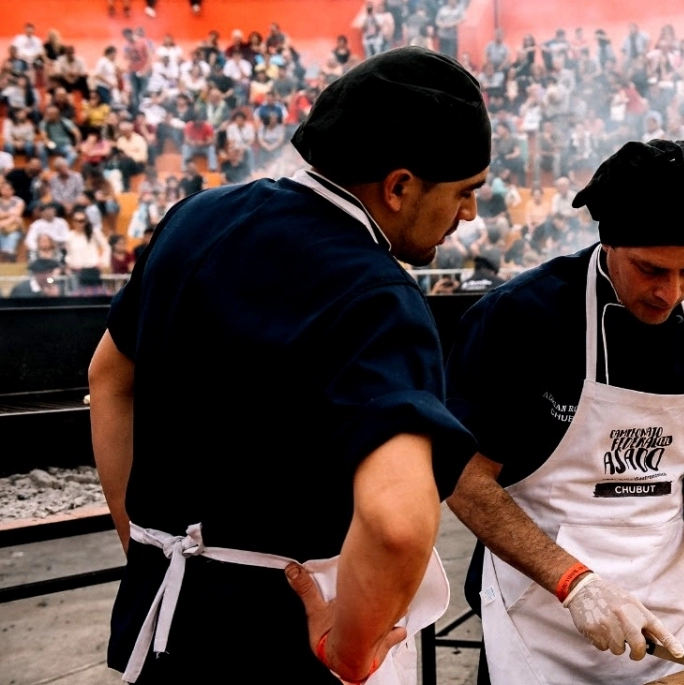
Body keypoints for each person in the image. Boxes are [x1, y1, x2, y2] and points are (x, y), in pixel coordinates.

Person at [88, 48, 489, 685]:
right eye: (465, 192)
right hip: (281, 646)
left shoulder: (196, 219)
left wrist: (140, 538)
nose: (469, 214)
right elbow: (397, 523)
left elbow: (108, 378)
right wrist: (351, 650)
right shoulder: (379, 297)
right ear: (400, 186)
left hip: (163, 624)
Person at [445, 140, 684, 685]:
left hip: (666, 605)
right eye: (650, 270)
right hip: (543, 606)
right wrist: (577, 583)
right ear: (607, 239)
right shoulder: (520, 316)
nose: (671, 294)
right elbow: (464, 480)